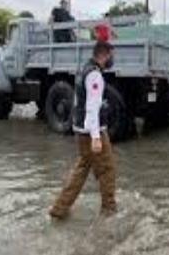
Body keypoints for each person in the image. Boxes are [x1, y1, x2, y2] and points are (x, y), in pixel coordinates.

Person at [49, 41, 117, 219]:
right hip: (92, 131)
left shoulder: (84, 70)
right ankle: (109, 211)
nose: (112, 59)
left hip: (81, 130)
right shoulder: (95, 75)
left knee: (81, 169)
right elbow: (92, 108)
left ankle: (59, 208)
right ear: (104, 54)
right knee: (107, 170)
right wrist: (96, 137)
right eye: (111, 54)